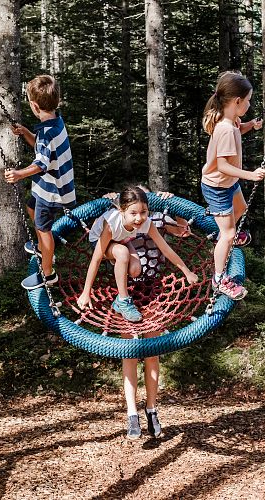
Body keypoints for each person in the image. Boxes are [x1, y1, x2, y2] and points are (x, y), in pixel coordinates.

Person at [77, 186, 199, 439]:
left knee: (152, 351)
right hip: (120, 271)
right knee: (130, 352)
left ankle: (151, 409)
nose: (139, 217)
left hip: (151, 289)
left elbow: (174, 240)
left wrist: (186, 271)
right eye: (134, 212)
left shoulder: (150, 221)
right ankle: (132, 413)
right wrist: (86, 292)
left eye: (143, 211)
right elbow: (96, 258)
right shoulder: (114, 222)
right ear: (123, 209)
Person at [4, 74, 76, 290]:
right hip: (49, 187)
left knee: (43, 229)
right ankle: (44, 247)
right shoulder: (56, 122)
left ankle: (48, 273)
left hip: (53, 192)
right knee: (31, 207)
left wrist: (19, 174)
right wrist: (26, 132)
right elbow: (44, 149)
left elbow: (41, 163)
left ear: (34, 106)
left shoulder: (46, 133)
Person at [200, 71, 265, 301]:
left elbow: (239, 129)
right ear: (237, 101)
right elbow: (223, 166)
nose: (249, 104)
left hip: (228, 184)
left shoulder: (232, 121)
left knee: (241, 209)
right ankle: (219, 279)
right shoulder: (225, 129)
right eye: (248, 100)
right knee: (228, 234)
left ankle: (223, 236)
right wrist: (250, 175)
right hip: (217, 186)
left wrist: (251, 125)